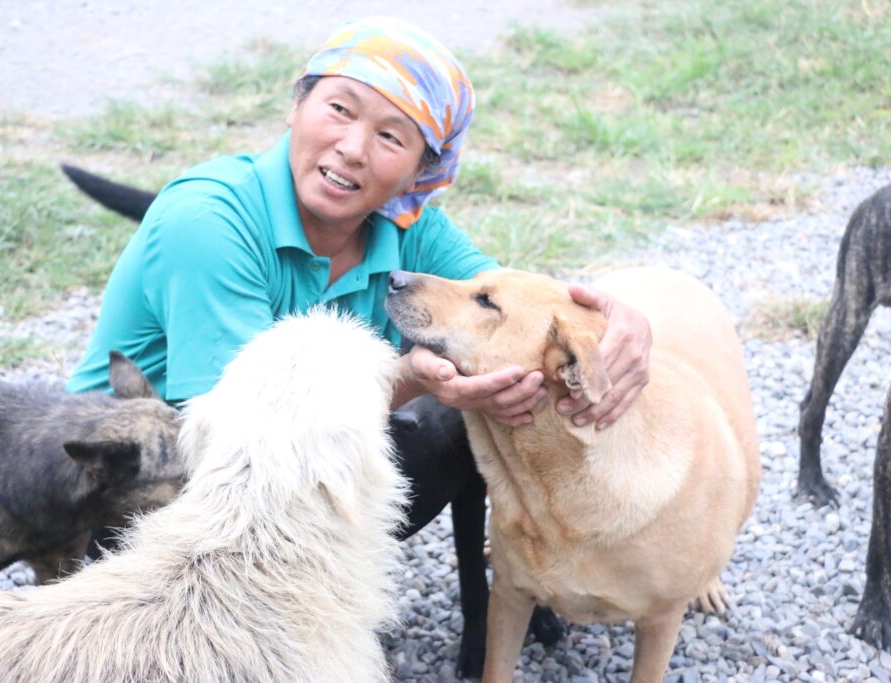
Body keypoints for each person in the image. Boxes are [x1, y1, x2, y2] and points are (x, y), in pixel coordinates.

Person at [66, 16, 651, 430]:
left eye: (391, 137)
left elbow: (514, 313)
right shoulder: (208, 219)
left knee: (481, 403)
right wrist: (411, 380)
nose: (352, 148)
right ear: (296, 105)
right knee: (439, 407)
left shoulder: (411, 227)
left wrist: (619, 325)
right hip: (141, 480)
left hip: (285, 457)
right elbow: (243, 427)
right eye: (339, 109)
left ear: (424, 170)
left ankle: (514, 597)